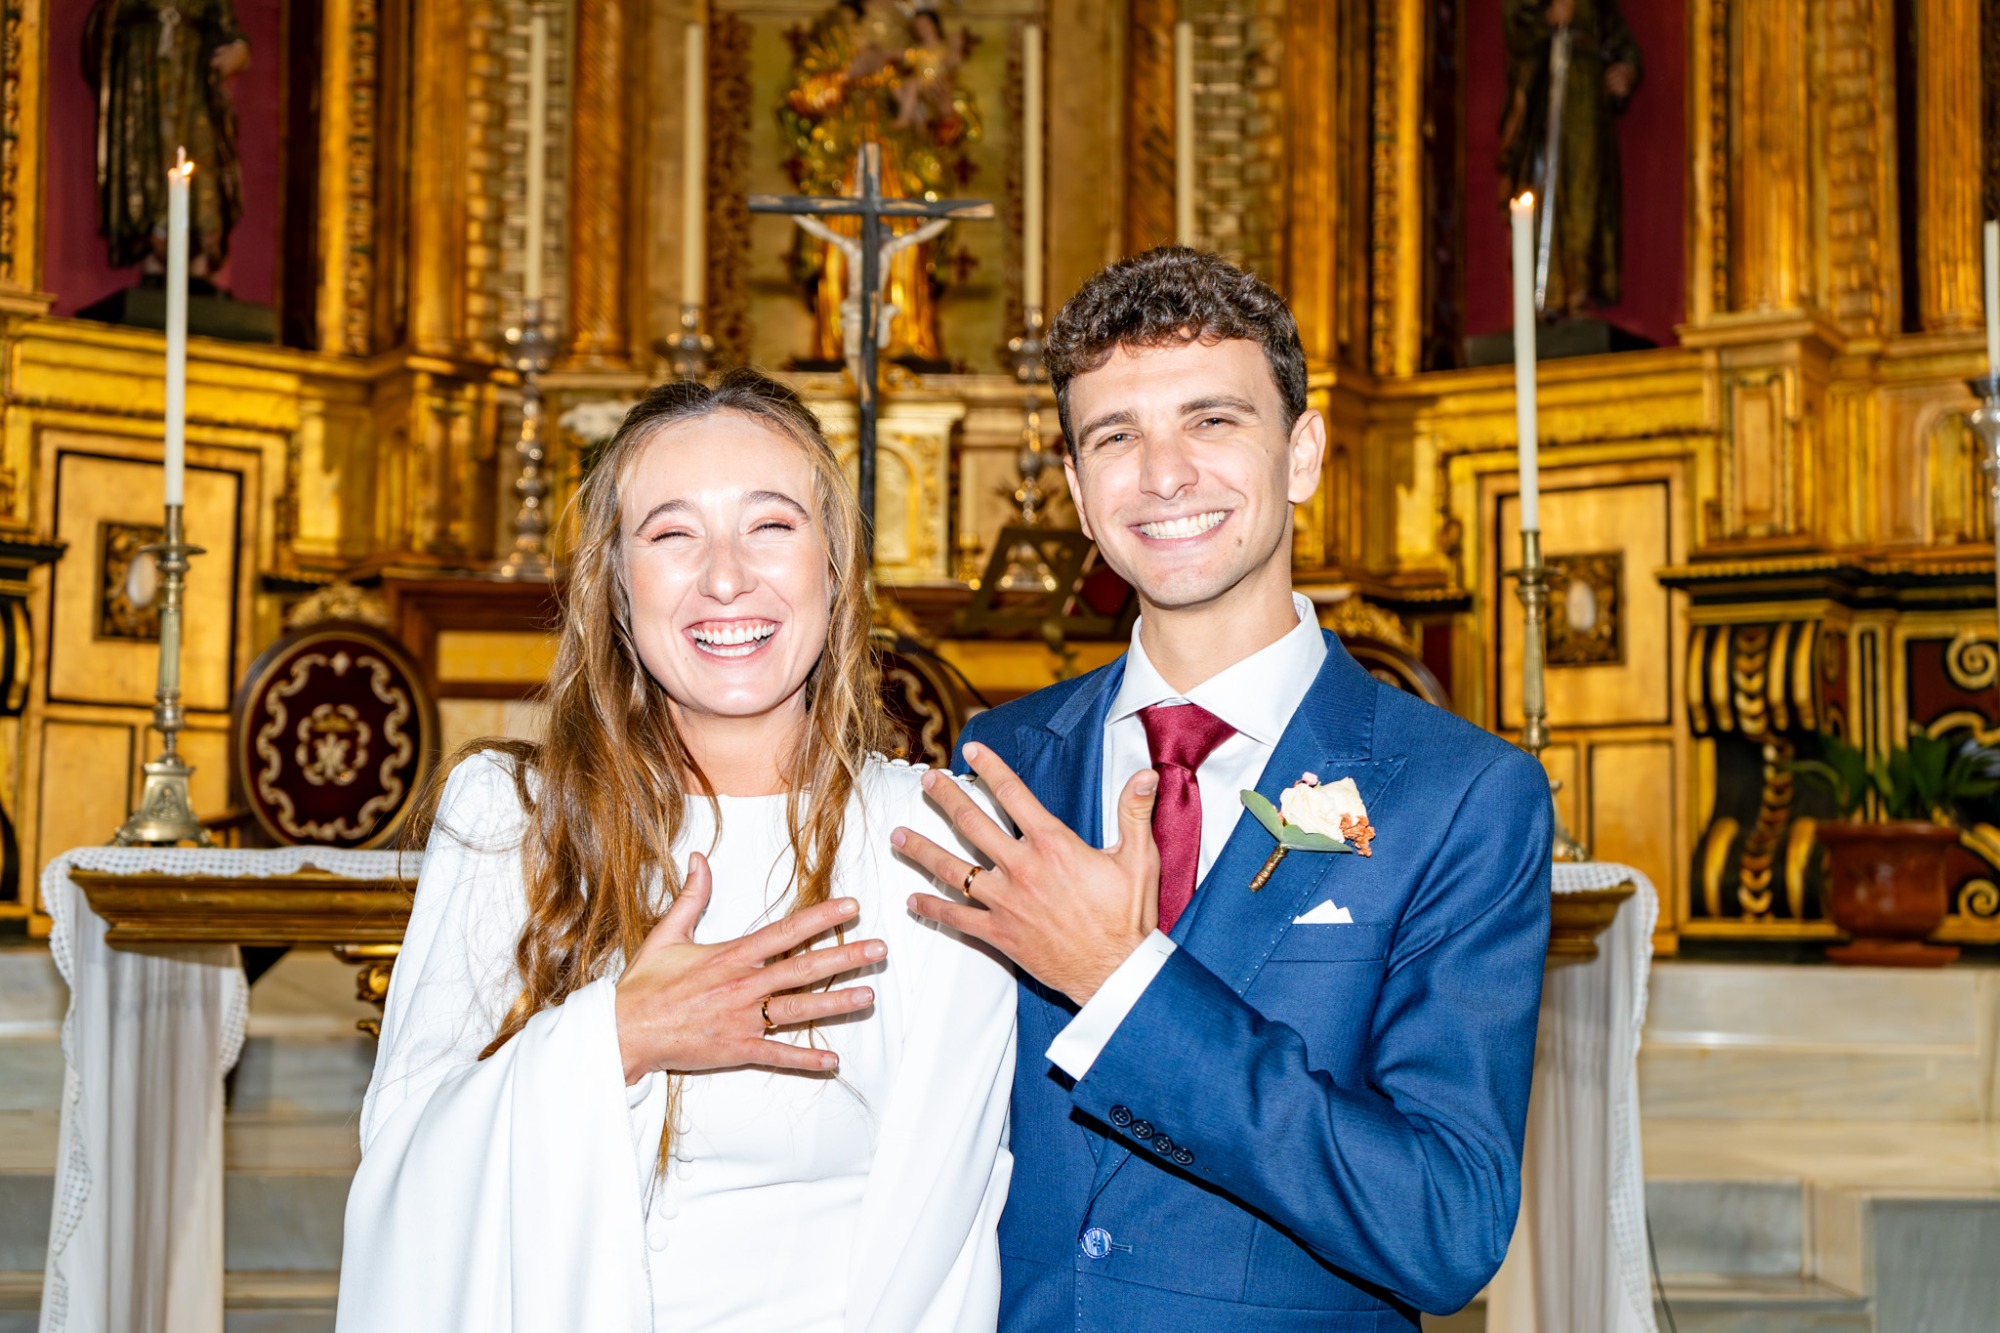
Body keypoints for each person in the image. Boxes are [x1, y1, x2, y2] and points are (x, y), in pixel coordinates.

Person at [893, 248, 1553, 1330]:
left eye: (1210, 421)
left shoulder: (1462, 797)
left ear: (1301, 452)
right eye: (1114, 435)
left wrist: (1123, 982)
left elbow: (1445, 1227)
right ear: (1073, 488)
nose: (1161, 473)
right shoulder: (996, 759)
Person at [337, 371, 1015, 1333]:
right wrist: (616, 1038)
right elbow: (403, 1178)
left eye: (771, 525)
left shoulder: (937, 838)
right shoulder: (510, 820)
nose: (726, 575)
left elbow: (948, 1224)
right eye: (671, 533)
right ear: (615, 585)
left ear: (836, 566)